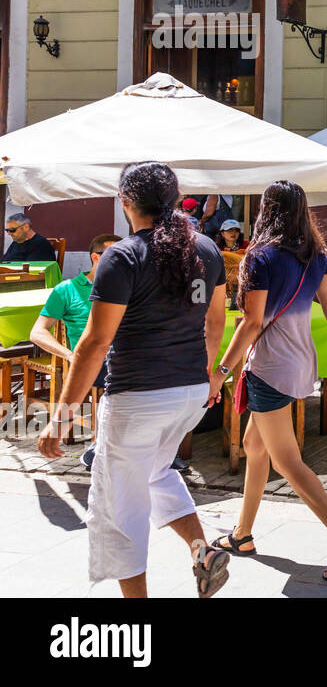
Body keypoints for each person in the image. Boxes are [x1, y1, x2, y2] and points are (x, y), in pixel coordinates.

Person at [36, 162, 230, 598]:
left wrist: (62, 417)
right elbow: (215, 320)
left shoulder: (122, 256)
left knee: (117, 507)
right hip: (190, 392)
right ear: (175, 200)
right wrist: (210, 374)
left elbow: (93, 344)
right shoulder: (207, 249)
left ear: (126, 203)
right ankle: (202, 550)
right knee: (156, 471)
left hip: (139, 396)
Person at [209, 181, 327, 580]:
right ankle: (242, 534)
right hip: (301, 365)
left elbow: (251, 323)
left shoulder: (258, 258)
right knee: (253, 444)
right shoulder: (319, 258)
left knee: (287, 460)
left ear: (266, 211)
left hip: (269, 369)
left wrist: (220, 372)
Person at [29, 233, 121, 469]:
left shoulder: (128, 287)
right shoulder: (67, 289)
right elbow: (37, 333)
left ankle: (155, 451)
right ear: (95, 257)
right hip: (93, 359)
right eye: (115, 255)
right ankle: (103, 444)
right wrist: (69, 355)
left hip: (126, 354)